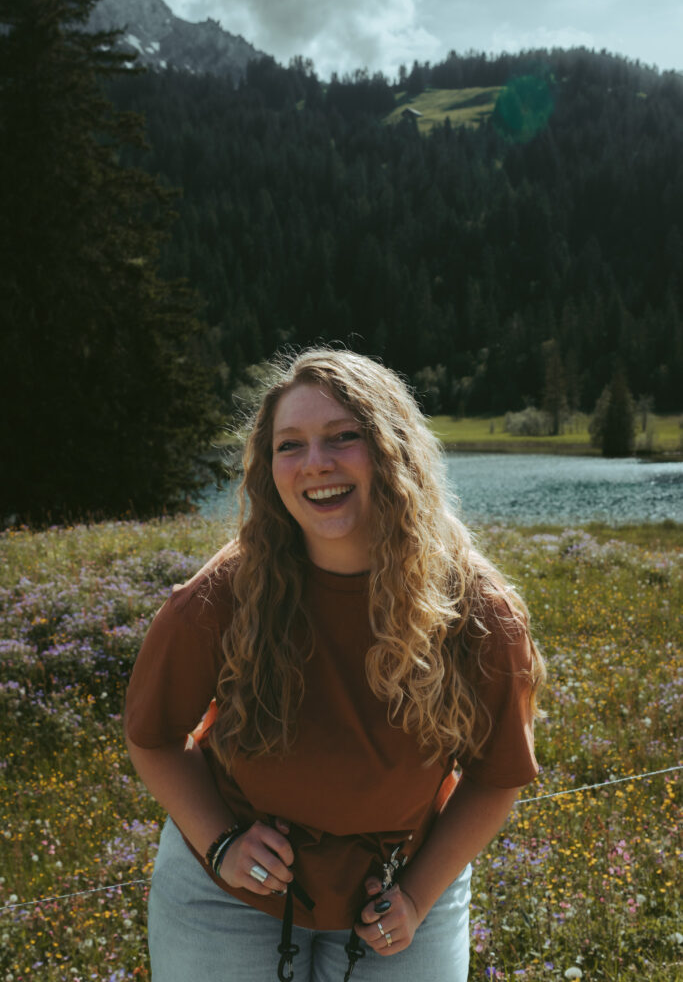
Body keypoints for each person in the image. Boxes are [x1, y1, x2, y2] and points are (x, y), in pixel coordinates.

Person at [124, 347, 544, 982]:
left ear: (393, 451)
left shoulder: (478, 612)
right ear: (270, 470)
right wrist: (221, 844)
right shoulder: (220, 597)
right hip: (229, 895)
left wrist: (416, 897)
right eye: (289, 445)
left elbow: (497, 775)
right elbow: (152, 736)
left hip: (402, 893)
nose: (315, 464)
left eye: (343, 437)